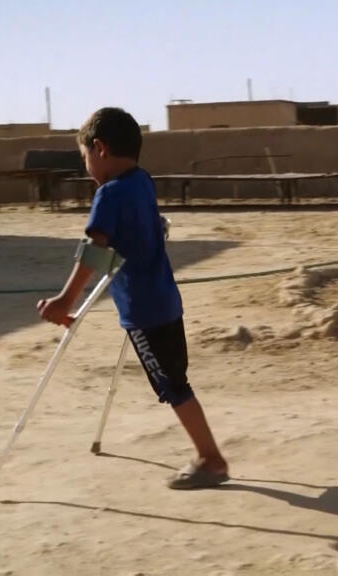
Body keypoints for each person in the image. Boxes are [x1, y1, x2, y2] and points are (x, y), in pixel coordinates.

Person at [37, 107, 229, 489]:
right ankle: (210, 456)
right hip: (165, 299)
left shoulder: (109, 194)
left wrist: (64, 302)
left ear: (100, 149)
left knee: (173, 384)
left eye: (85, 158)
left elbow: (95, 250)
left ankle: (210, 458)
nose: (87, 167)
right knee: (176, 378)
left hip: (143, 309)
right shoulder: (142, 181)